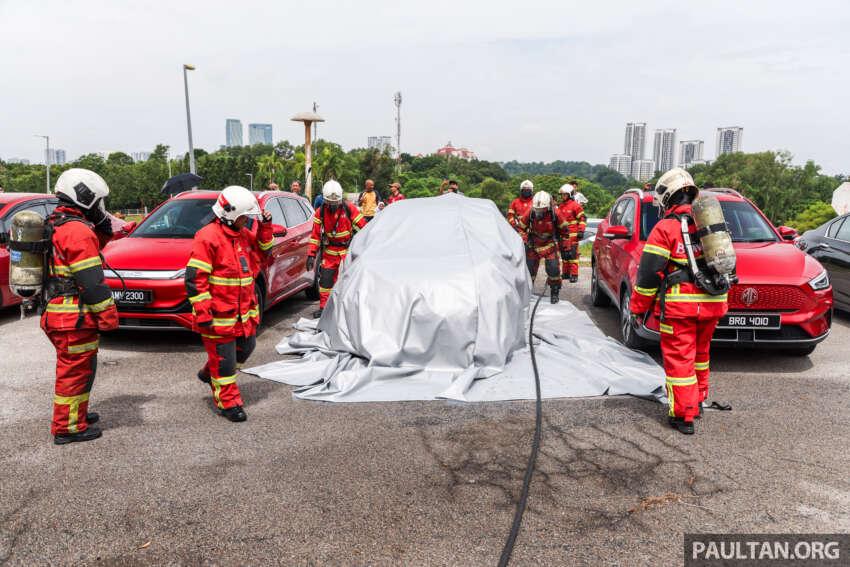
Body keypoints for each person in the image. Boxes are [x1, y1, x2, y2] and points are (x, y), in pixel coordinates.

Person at [629, 168, 728, 435]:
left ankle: (684, 415)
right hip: (713, 303)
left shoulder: (666, 228)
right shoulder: (706, 223)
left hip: (681, 308)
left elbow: (649, 275)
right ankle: (698, 401)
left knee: (680, 360)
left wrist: (638, 308)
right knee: (700, 355)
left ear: (666, 197)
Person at [184, 186, 276, 423]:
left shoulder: (242, 235)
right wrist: (203, 313)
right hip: (218, 315)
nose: (246, 221)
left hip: (242, 313)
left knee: (247, 347)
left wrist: (265, 227)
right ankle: (229, 403)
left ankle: (209, 372)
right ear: (230, 214)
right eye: (244, 217)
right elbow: (195, 279)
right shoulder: (207, 237)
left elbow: (264, 254)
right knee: (225, 364)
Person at [41, 168, 119, 444]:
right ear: (85, 198)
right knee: (74, 372)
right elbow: (92, 282)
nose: (100, 207)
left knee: (82, 368)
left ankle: (78, 414)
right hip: (72, 317)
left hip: (62, 314)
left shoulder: (61, 224)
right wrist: (109, 316)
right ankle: (68, 427)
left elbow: (93, 246)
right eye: (98, 202)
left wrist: (103, 226)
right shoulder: (76, 231)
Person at [306, 180, 367, 318]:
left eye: (335, 203)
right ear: (325, 201)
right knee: (325, 282)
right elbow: (315, 236)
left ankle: (351, 309)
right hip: (330, 251)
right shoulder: (320, 212)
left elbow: (363, 227)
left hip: (348, 250)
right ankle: (324, 309)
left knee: (351, 280)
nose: (333, 206)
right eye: (330, 203)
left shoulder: (349, 208)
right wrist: (311, 255)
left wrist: (366, 245)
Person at [517, 191, 562, 304]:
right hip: (533, 245)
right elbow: (521, 228)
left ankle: (555, 292)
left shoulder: (555, 213)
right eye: (537, 209)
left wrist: (566, 246)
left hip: (550, 245)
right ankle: (527, 292)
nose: (539, 212)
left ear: (548, 207)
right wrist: (524, 240)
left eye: (541, 209)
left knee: (553, 269)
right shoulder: (530, 212)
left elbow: (564, 230)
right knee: (529, 270)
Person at [556, 182, 587, 283]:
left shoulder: (575, 206)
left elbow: (582, 219)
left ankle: (574, 274)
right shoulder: (560, 206)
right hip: (563, 236)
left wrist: (581, 231)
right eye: (562, 194)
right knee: (564, 255)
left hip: (573, 235)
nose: (563, 196)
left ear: (570, 194)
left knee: (573, 255)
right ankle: (565, 273)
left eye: (565, 194)